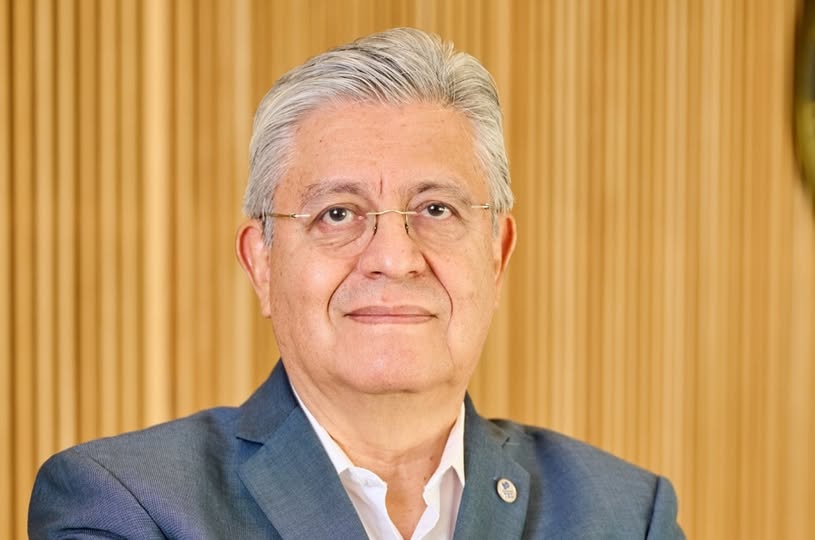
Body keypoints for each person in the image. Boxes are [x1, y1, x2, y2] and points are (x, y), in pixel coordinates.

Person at [29, 27, 683, 539]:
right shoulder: (129, 505)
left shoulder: (626, 515)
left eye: (436, 209)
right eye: (338, 214)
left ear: (497, 254)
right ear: (261, 262)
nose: (393, 259)